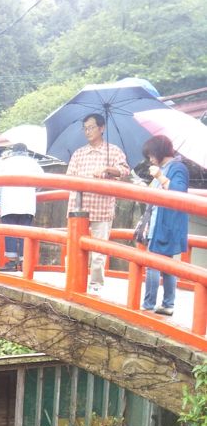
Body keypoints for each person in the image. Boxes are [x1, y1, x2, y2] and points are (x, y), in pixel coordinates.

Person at [66, 113, 130, 292]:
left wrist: (108, 169)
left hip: (102, 207)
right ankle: (73, 281)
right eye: (85, 128)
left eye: (92, 127)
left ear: (102, 128)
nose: (88, 131)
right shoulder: (79, 153)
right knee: (74, 247)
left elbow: (124, 171)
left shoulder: (113, 151)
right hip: (78, 207)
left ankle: (95, 286)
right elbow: (69, 178)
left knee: (98, 251)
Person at [140, 135, 189, 316]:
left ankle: (148, 305)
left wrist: (160, 176)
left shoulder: (177, 168)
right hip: (159, 222)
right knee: (167, 265)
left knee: (153, 263)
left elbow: (179, 191)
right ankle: (168, 304)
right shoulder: (164, 168)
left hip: (167, 223)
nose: (150, 159)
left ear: (159, 151)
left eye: (152, 154)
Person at [0, 144, 44, 271]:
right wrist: (34, 189)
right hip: (27, 203)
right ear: (26, 151)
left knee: (10, 232)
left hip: (8, 202)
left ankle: (12, 262)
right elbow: (42, 181)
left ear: (12, 152)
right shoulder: (33, 164)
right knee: (25, 232)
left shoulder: (5, 164)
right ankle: (24, 262)